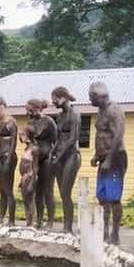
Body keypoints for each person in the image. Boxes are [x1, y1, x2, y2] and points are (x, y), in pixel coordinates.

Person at [89, 82, 127, 245]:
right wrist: (96, 155)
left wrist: (110, 159)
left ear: (99, 97)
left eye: (91, 97)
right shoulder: (100, 110)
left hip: (115, 158)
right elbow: (101, 135)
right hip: (103, 158)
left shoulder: (114, 111)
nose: (90, 100)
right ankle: (103, 231)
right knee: (102, 196)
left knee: (113, 197)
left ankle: (115, 233)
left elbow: (118, 136)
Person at [51, 86, 82, 233]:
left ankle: (68, 227)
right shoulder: (59, 116)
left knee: (65, 192)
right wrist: (53, 152)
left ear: (63, 98)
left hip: (71, 155)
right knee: (62, 194)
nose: (53, 102)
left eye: (55, 99)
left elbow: (72, 139)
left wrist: (60, 156)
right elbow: (58, 138)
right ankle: (65, 225)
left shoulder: (74, 114)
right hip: (59, 155)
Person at [25, 99, 57, 229]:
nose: (27, 113)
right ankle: (39, 220)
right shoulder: (30, 123)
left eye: (29, 110)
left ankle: (50, 221)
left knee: (48, 191)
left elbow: (56, 141)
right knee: (37, 191)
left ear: (36, 108)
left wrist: (52, 156)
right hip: (35, 159)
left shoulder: (49, 121)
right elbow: (30, 141)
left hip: (48, 158)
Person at [0, 93, 17, 226]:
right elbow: (1, 143)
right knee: (2, 190)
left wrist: (8, 159)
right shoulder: (2, 122)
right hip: (1, 156)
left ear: (1, 107)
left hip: (8, 157)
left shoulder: (11, 121)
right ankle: (1, 218)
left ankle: (11, 220)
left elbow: (13, 142)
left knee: (8, 189)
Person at [19, 125, 40, 227]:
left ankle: (31, 222)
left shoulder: (34, 149)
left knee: (30, 199)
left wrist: (32, 181)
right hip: (24, 177)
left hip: (30, 176)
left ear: (29, 135)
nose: (21, 136)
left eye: (23, 134)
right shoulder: (26, 148)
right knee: (25, 199)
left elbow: (35, 167)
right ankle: (28, 221)